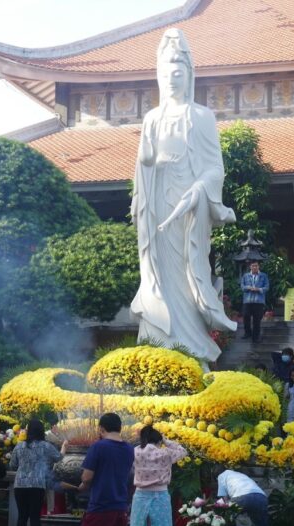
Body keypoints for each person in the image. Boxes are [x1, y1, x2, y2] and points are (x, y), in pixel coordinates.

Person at [129, 29, 238, 363]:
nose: (171, 79)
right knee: (156, 274)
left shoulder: (201, 117)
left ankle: (189, 350)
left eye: (178, 72)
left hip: (188, 210)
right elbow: (142, 167)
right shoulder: (151, 118)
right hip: (157, 204)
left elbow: (214, 168)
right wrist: (145, 172)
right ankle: (156, 342)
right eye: (165, 74)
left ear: (189, 75)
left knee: (186, 274)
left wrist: (198, 190)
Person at [77, 413, 135, 526]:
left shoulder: (99, 446)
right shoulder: (129, 449)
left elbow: (87, 476)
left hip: (101, 505)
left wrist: (82, 484)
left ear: (101, 428)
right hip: (121, 506)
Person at [129, 425, 187, 526]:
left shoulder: (135, 452)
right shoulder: (165, 452)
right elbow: (183, 451)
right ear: (158, 440)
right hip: (160, 496)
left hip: (140, 496)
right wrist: (167, 441)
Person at [7, 419, 65, 526]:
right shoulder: (45, 446)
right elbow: (59, 458)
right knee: (34, 516)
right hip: (37, 485)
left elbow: (13, 465)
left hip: (20, 484)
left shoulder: (20, 446)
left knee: (22, 515)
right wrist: (65, 446)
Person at [240, 261, 269, 342]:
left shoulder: (263, 276)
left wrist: (258, 289)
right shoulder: (246, 276)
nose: (254, 267)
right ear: (250, 267)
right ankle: (247, 333)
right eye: (253, 266)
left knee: (257, 319)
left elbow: (267, 287)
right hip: (247, 300)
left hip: (259, 301)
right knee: (245, 316)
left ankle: (256, 337)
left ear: (258, 266)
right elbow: (242, 287)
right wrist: (248, 287)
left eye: (256, 266)